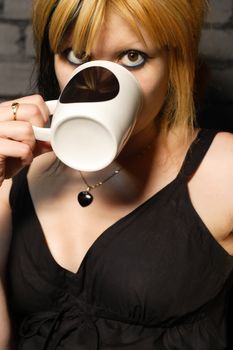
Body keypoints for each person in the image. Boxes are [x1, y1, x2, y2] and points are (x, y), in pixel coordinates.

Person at [0, 0, 233, 349]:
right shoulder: (16, 173)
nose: (97, 84)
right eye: (76, 56)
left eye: (133, 57)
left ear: (176, 61)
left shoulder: (221, 169)